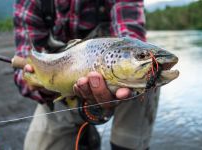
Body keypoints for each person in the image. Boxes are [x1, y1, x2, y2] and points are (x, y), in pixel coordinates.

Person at [13, 0, 160, 149]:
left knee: (148, 75)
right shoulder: (29, 2)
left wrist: (139, 58)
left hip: (122, 87)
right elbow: (22, 72)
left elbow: (130, 36)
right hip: (58, 95)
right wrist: (41, 85)